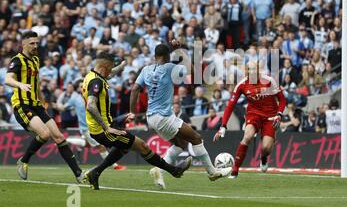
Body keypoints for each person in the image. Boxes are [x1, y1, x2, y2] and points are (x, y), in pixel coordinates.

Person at [81, 52, 191, 190]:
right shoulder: (96, 82)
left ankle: (95, 173)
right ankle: (174, 170)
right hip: (104, 129)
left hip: (100, 128)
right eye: (111, 66)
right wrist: (106, 127)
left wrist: (122, 65)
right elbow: (91, 105)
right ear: (104, 66)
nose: (111, 70)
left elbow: (110, 73)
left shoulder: (91, 76)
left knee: (123, 148)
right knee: (143, 146)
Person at [129, 43, 231, 189]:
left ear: (155, 56)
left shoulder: (146, 70)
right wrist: (181, 48)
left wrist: (132, 112)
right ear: (167, 56)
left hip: (151, 117)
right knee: (196, 138)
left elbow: (134, 90)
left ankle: (159, 170)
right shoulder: (170, 68)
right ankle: (212, 172)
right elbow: (192, 69)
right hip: (164, 117)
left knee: (181, 144)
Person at [4, 31, 83, 182]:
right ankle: (24, 160)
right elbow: (8, 79)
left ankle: (79, 174)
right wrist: (20, 85)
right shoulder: (17, 60)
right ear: (24, 44)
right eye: (32, 43)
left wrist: (42, 100)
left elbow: (37, 83)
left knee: (59, 136)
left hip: (36, 105)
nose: (35, 46)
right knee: (45, 134)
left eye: (37, 43)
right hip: (22, 105)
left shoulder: (35, 60)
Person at [214, 61, 287, 178]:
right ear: (246, 71)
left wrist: (279, 114)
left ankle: (263, 157)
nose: (252, 72)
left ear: (258, 70)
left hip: (270, 116)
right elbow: (230, 106)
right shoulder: (242, 85)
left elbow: (282, 100)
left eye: (255, 69)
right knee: (247, 136)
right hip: (254, 114)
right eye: (250, 69)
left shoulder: (269, 81)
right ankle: (235, 171)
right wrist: (223, 125)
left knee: (266, 148)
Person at [53, 79, 126, 170]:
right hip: (86, 128)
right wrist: (55, 105)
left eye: (83, 85)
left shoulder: (91, 96)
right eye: (80, 86)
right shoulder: (74, 98)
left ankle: (66, 140)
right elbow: (63, 108)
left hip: (95, 125)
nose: (82, 87)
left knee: (86, 144)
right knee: (101, 146)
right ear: (78, 89)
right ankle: (115, 166)